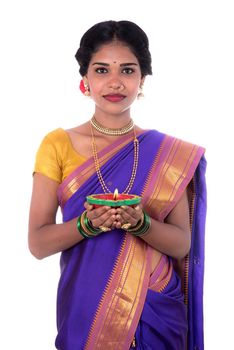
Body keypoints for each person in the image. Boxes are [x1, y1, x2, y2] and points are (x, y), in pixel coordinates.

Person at [28, 20, 207, 350]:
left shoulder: (168, 154)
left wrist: (140, 224)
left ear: (142, 80)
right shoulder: (57, 145)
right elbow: (38, 242)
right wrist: (87, 225)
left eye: (127, 70)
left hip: (155, 306)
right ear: (85, 80)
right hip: (87, 307)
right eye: (101, 70)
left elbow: (181, 243)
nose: (114, 82)